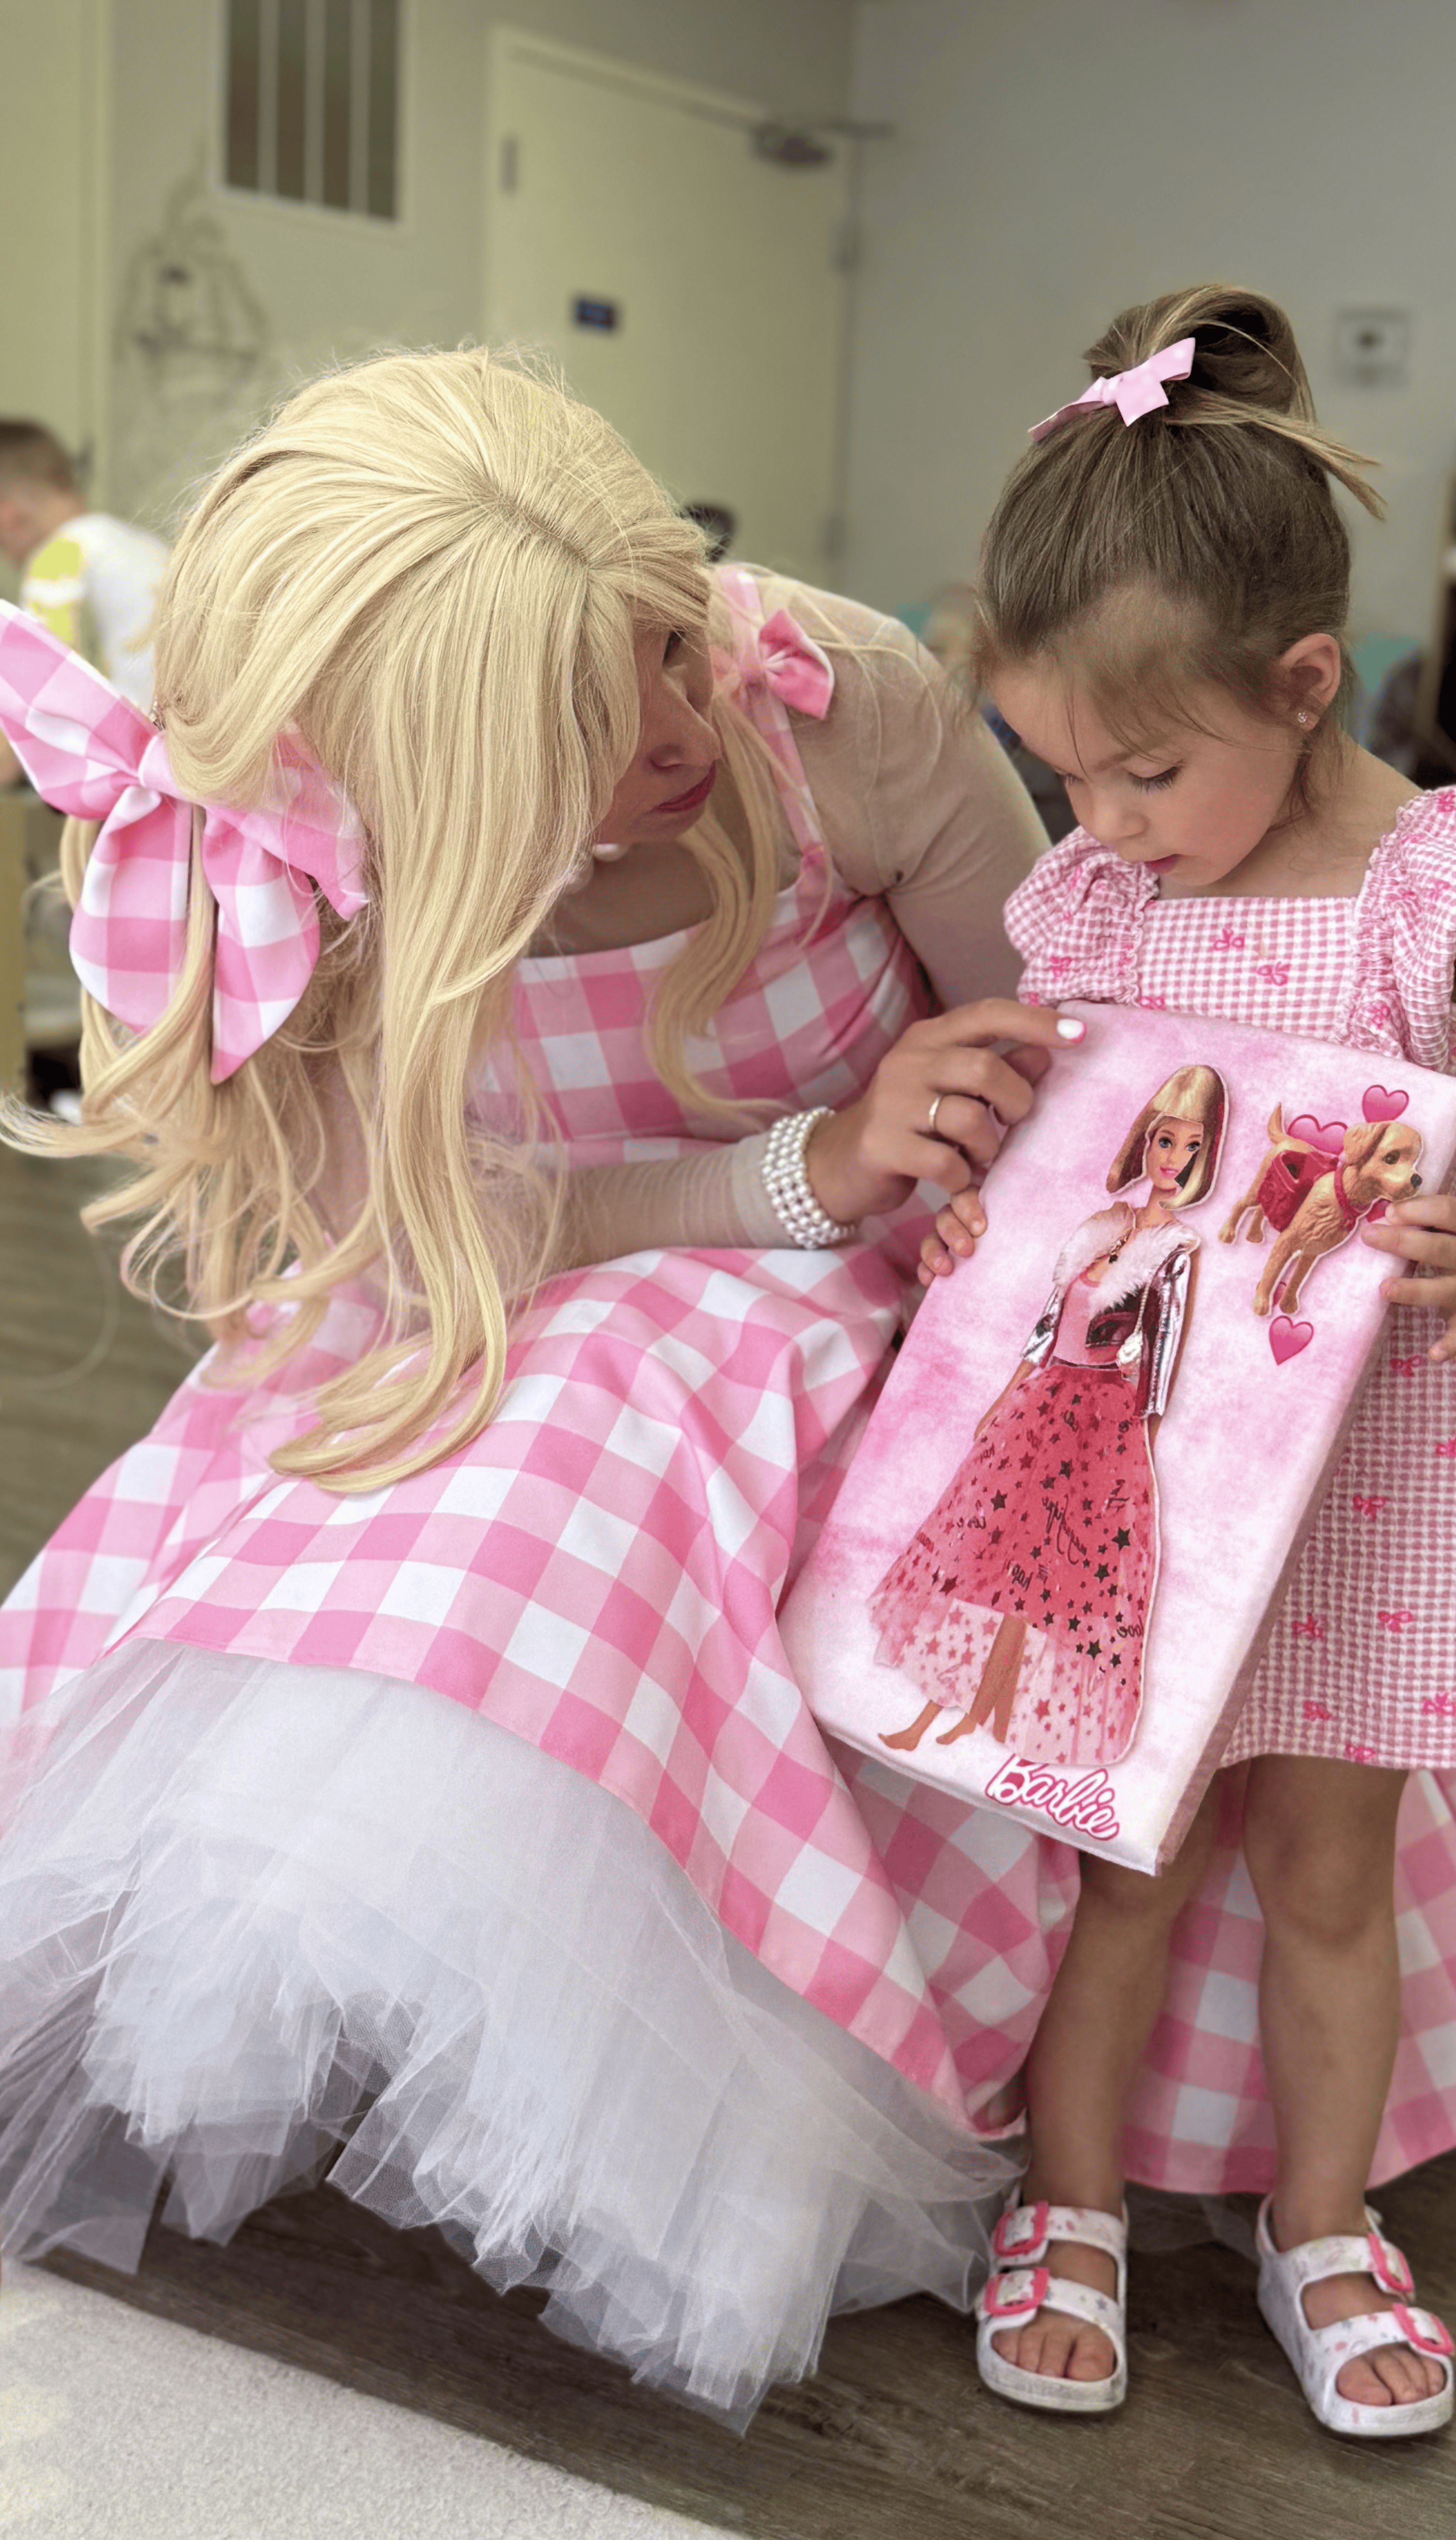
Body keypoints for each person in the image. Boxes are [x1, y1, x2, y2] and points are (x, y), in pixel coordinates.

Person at [0, 348, 1079, 2427]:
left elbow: (1062, 1021)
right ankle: (405, 1980)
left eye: (677, 647)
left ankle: (676, 2081)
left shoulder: (836, 717)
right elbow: (424, 1240)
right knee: (480, 1423)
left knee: (605, 1418)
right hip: (489, 1275)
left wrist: (900, 1163)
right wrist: (792, 1162)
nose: (692, 731)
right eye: (601, 728)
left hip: (884, 1288)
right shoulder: (294, 864)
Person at [916, 287, 1456, 2434]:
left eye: (1148, 770)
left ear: (1307, 685)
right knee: (1123, 1859)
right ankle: (1063, 2199)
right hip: (1147, 1466)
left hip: (1371, 1477)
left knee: (1335, 1874)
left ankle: (1323, 2216)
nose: (1110, 818)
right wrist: (981, 1220)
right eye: (1069, 772)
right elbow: (1054, 1160)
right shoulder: (1102, 899)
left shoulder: (1452, 875)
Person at [876, 1064, 1226, 1763]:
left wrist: (1141, 1433)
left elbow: (1161, 1346)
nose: (1174, 1160)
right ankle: (940, 1712)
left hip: (1102, 1417)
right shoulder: (1099, 1228)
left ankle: (982, 1710)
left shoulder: (1175, 1251)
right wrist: (1007, 1394)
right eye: (1165, 1142)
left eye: (1191, 1148)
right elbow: (1045, 1323)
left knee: (1046, 1577)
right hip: (1043, 1402)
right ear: (1144, 1142)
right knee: (994, 1552)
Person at [0, 422, 168, 746]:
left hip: (145, 762)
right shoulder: (141, 545)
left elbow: (42, 696)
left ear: (8, 516)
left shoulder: (60, 555)